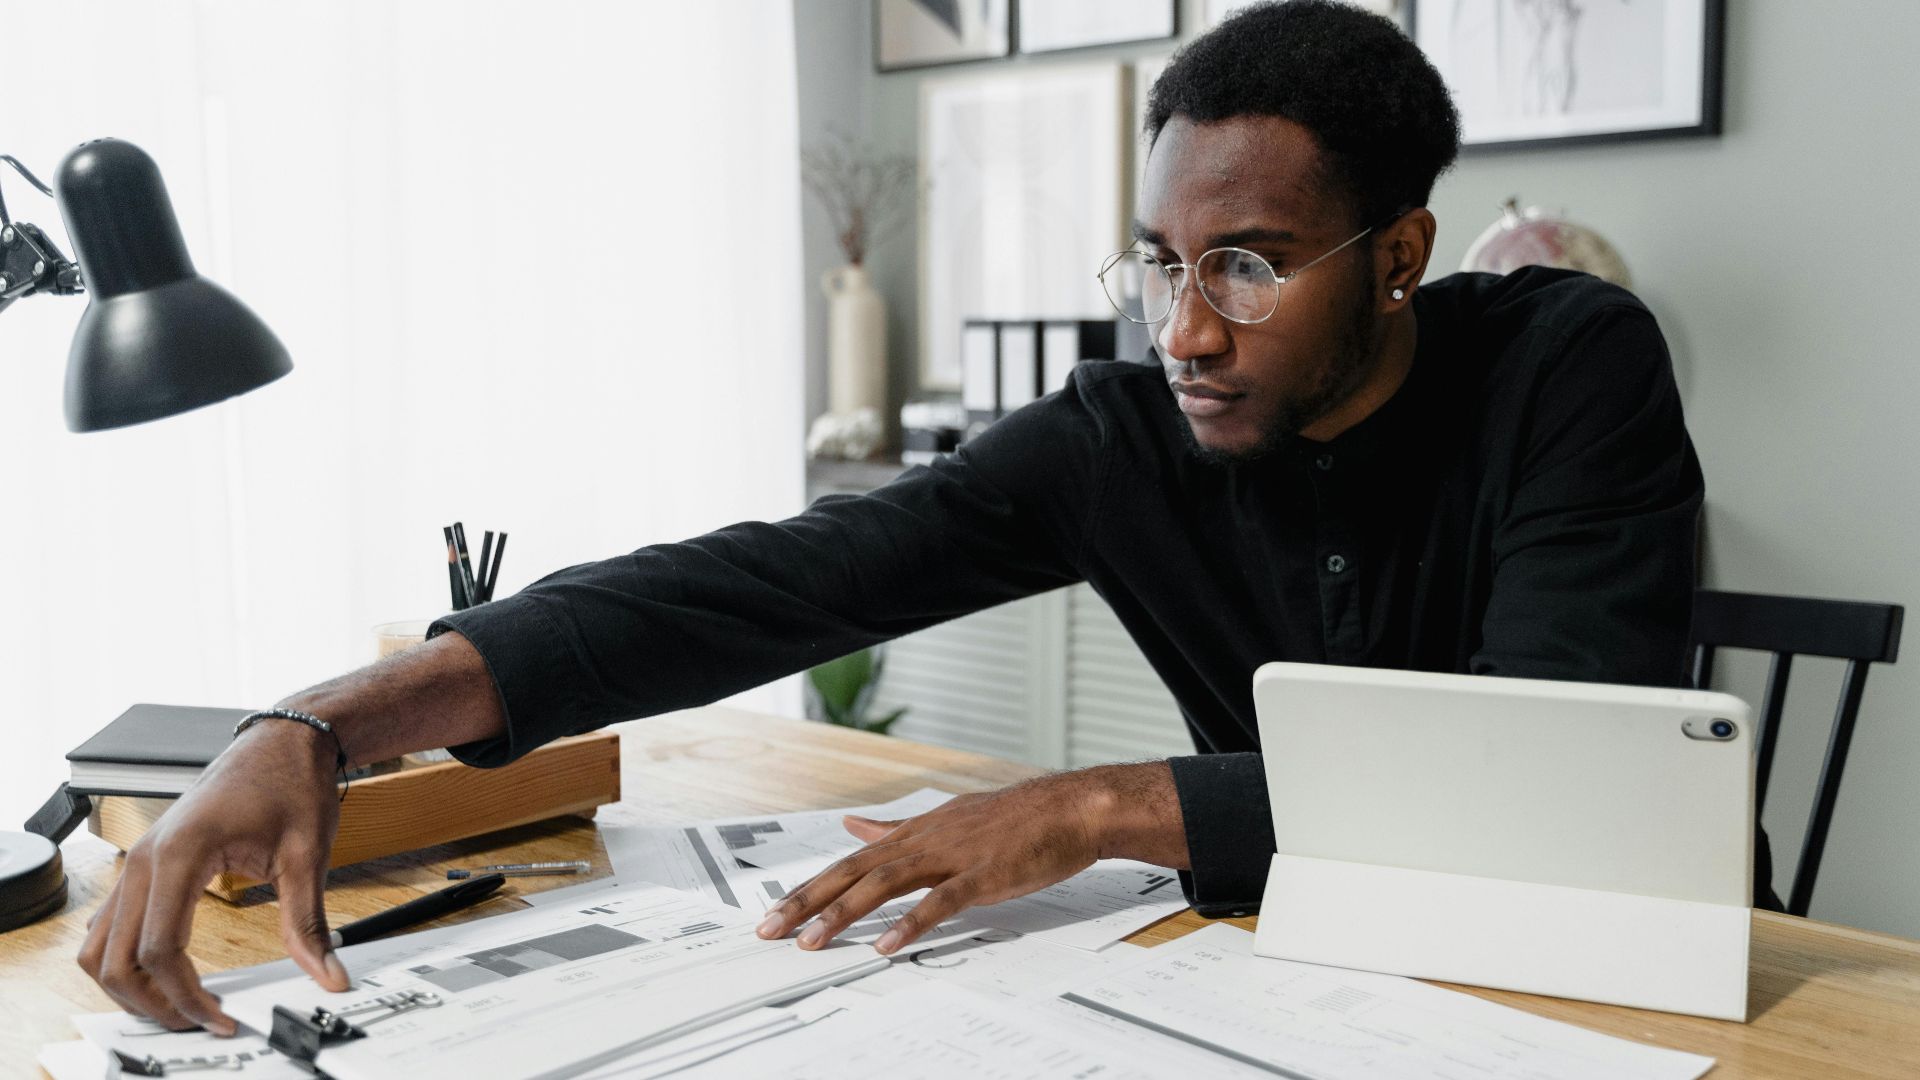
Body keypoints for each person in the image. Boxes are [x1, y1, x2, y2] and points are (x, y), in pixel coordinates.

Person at [79, 0, 1768, 1037]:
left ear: (1398, 259)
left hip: (1618, 967)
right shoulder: (1125, 433)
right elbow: (774, 585)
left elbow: (1544, 773)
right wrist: (320, 724)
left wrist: (1092, 805)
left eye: (1248, 267)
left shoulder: (1570, 360)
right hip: (1310, 973)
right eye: (1162, 264)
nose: (1185, 329)